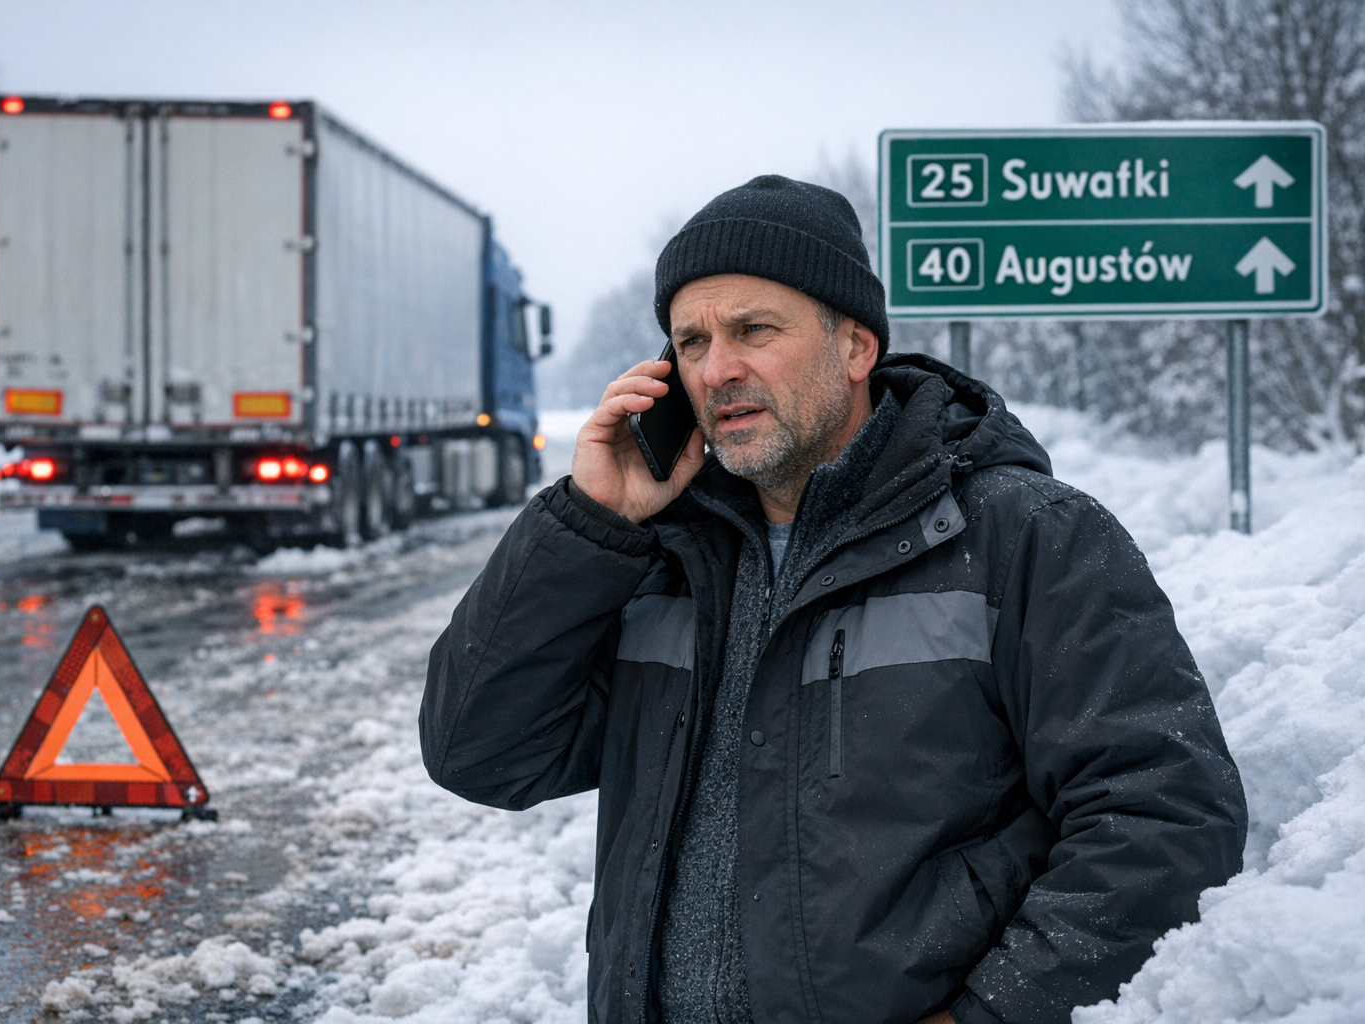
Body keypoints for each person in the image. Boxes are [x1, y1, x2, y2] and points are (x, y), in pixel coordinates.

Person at [420, 175, 1246, 1024]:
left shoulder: (1026, 536)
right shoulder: (658, 557)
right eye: (691, 341)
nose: (718, 370)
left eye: (753, 330)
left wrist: (993, 1015)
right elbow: (479, 753)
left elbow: (1164, 811)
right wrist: (589, 525)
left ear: (855, 348)